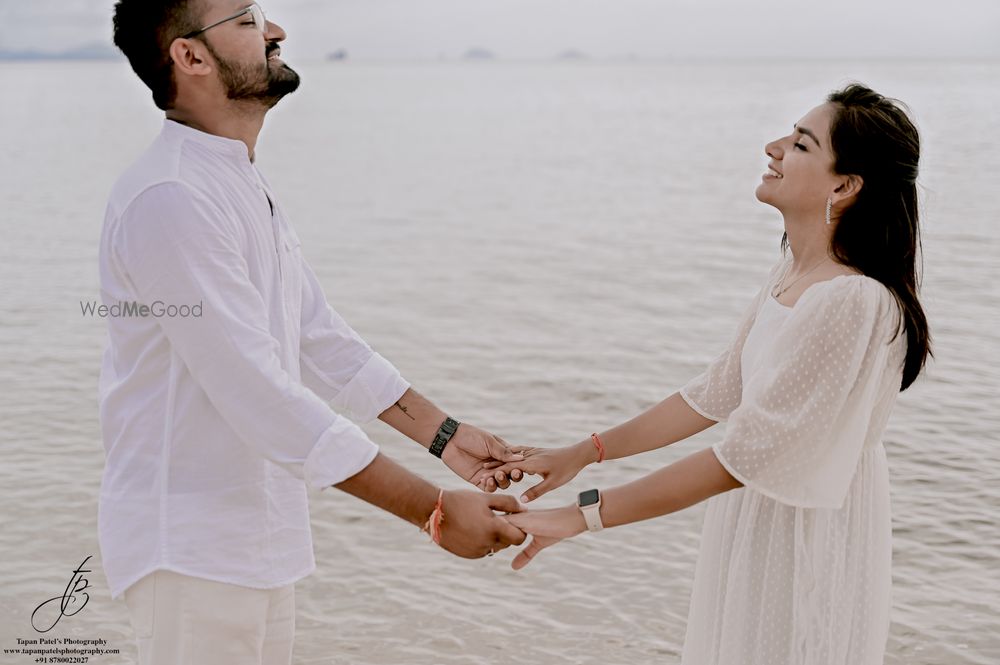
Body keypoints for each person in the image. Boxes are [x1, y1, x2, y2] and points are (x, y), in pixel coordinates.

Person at [100, 2, 525, 663]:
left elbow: (316, 335)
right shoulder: (171, 197)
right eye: (245, 20)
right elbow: (257, 395)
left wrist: (446, 437)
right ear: (190, 57)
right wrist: (433, 510)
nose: (276, 31)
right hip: (191, 548)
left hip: (258, 539)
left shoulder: (233, 176)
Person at [494, 83, 931, 665]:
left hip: (808, 525)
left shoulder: (851, 299)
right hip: (761, 508)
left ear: (845, 186)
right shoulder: (792, 275)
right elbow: (715, 393)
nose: (773, 147)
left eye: (800, 144)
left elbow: (745, 456)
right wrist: (584, 451)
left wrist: (581, 517)